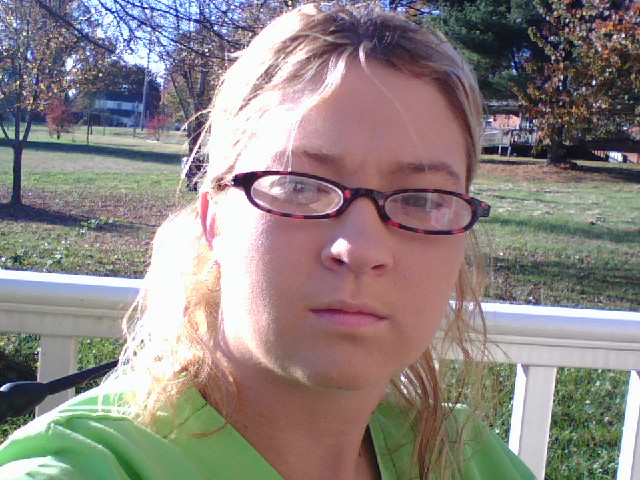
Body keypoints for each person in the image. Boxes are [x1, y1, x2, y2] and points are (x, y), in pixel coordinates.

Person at [0, 4, 535, 479]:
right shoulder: (89, 467)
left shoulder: (468, 458)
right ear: (215, 221)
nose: (362, 249)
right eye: (300, 186)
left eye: (422, 198)